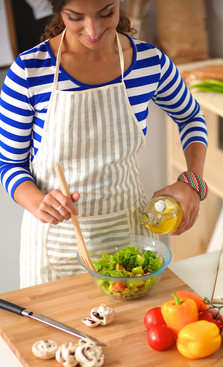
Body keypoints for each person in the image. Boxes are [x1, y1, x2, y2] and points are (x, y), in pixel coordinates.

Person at [0, 0, 208, 288]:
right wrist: (37, 202)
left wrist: (192, 181)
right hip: (55, 245)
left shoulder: (149, 62)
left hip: (130, 236)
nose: (93, 29)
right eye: (76, 17)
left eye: (105, 13)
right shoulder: (29, 72)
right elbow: (10, 165)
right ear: (58, 11)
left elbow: (191, 117)